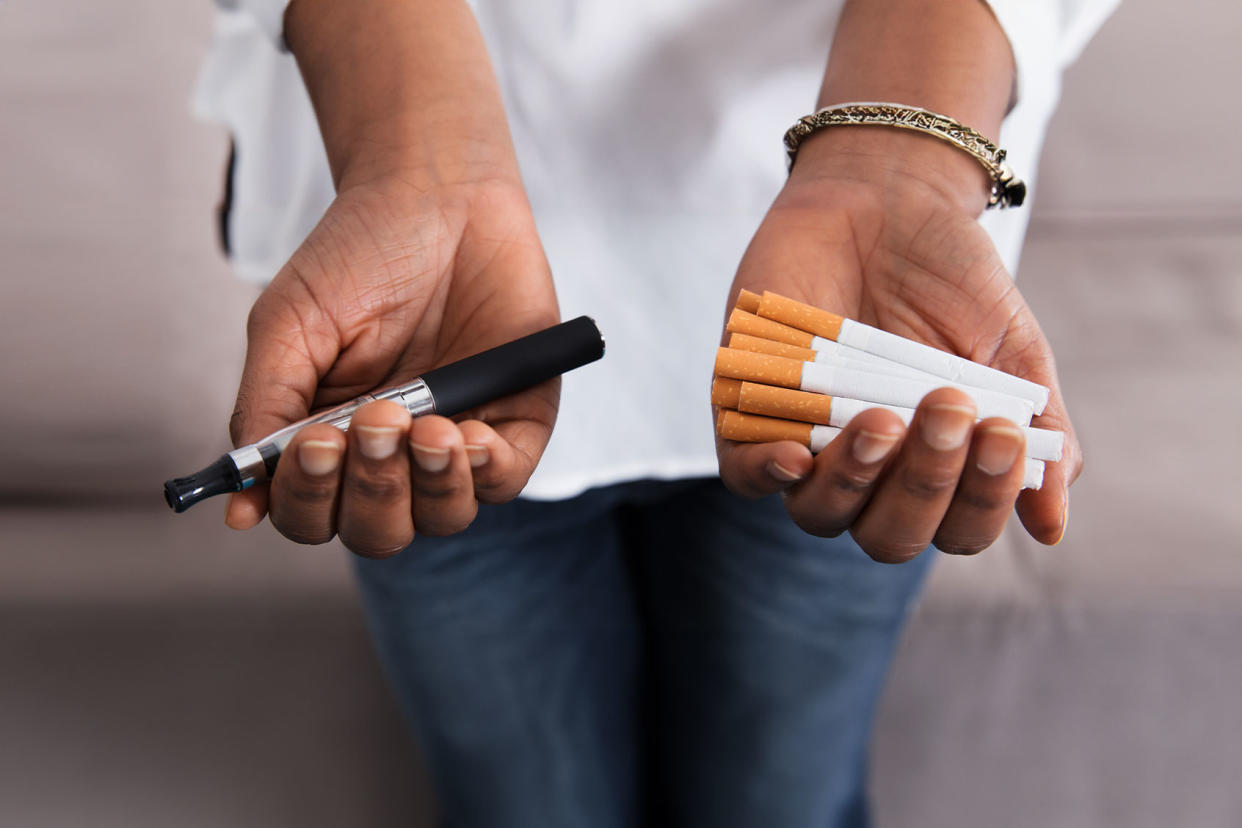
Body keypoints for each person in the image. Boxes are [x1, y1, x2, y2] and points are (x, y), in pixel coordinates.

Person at [194, 0, 1115, 824]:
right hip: (420, 314)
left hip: (848, 334)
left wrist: (896, 165)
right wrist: (419, 157)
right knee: (524, 804)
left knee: (779, 799)